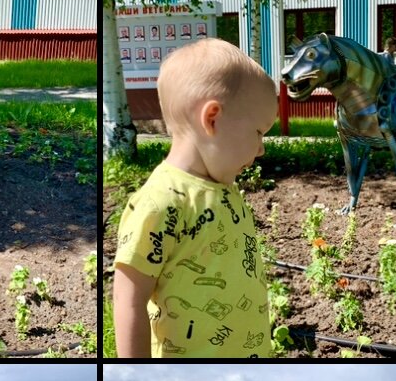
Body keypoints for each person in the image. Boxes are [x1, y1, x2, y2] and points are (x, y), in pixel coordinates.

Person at [113, 38, 278, 358]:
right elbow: (128, 298)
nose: (261, 149)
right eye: (259, 132)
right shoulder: (161, 203)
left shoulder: (224, 190)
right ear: (212, 119)